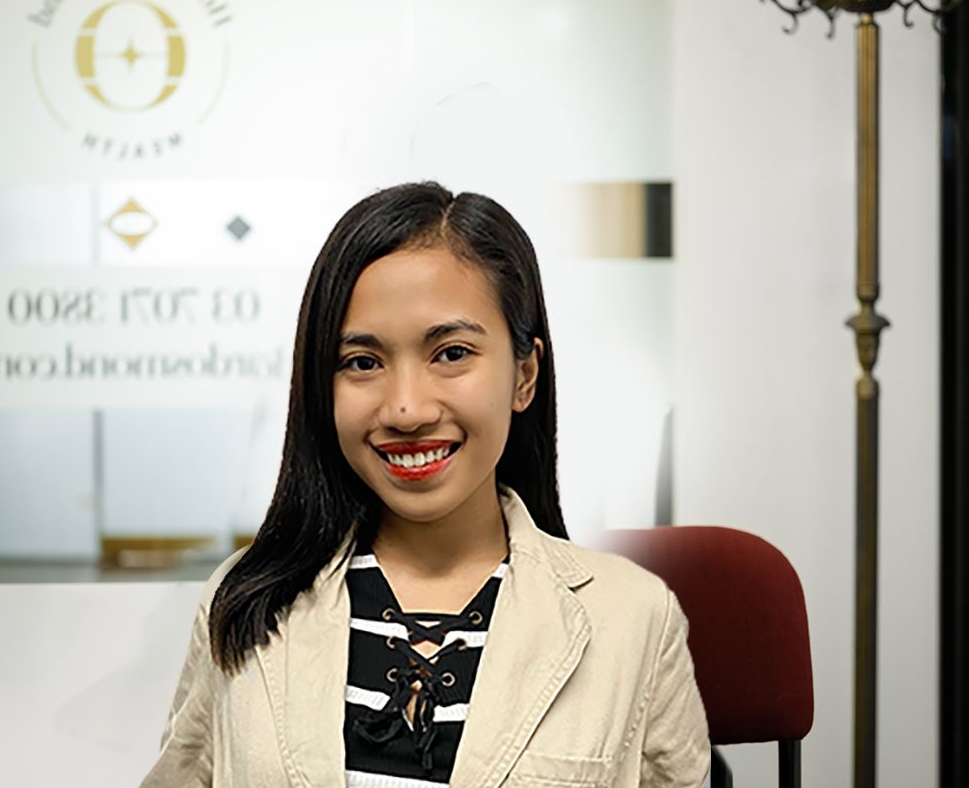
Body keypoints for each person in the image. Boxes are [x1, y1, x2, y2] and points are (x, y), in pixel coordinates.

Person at [140, 182, 710, 788]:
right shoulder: (245, 604)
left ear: (524, 374)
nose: (406, 410)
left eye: (451, 353)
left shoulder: (634, 619)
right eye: (363, 362)